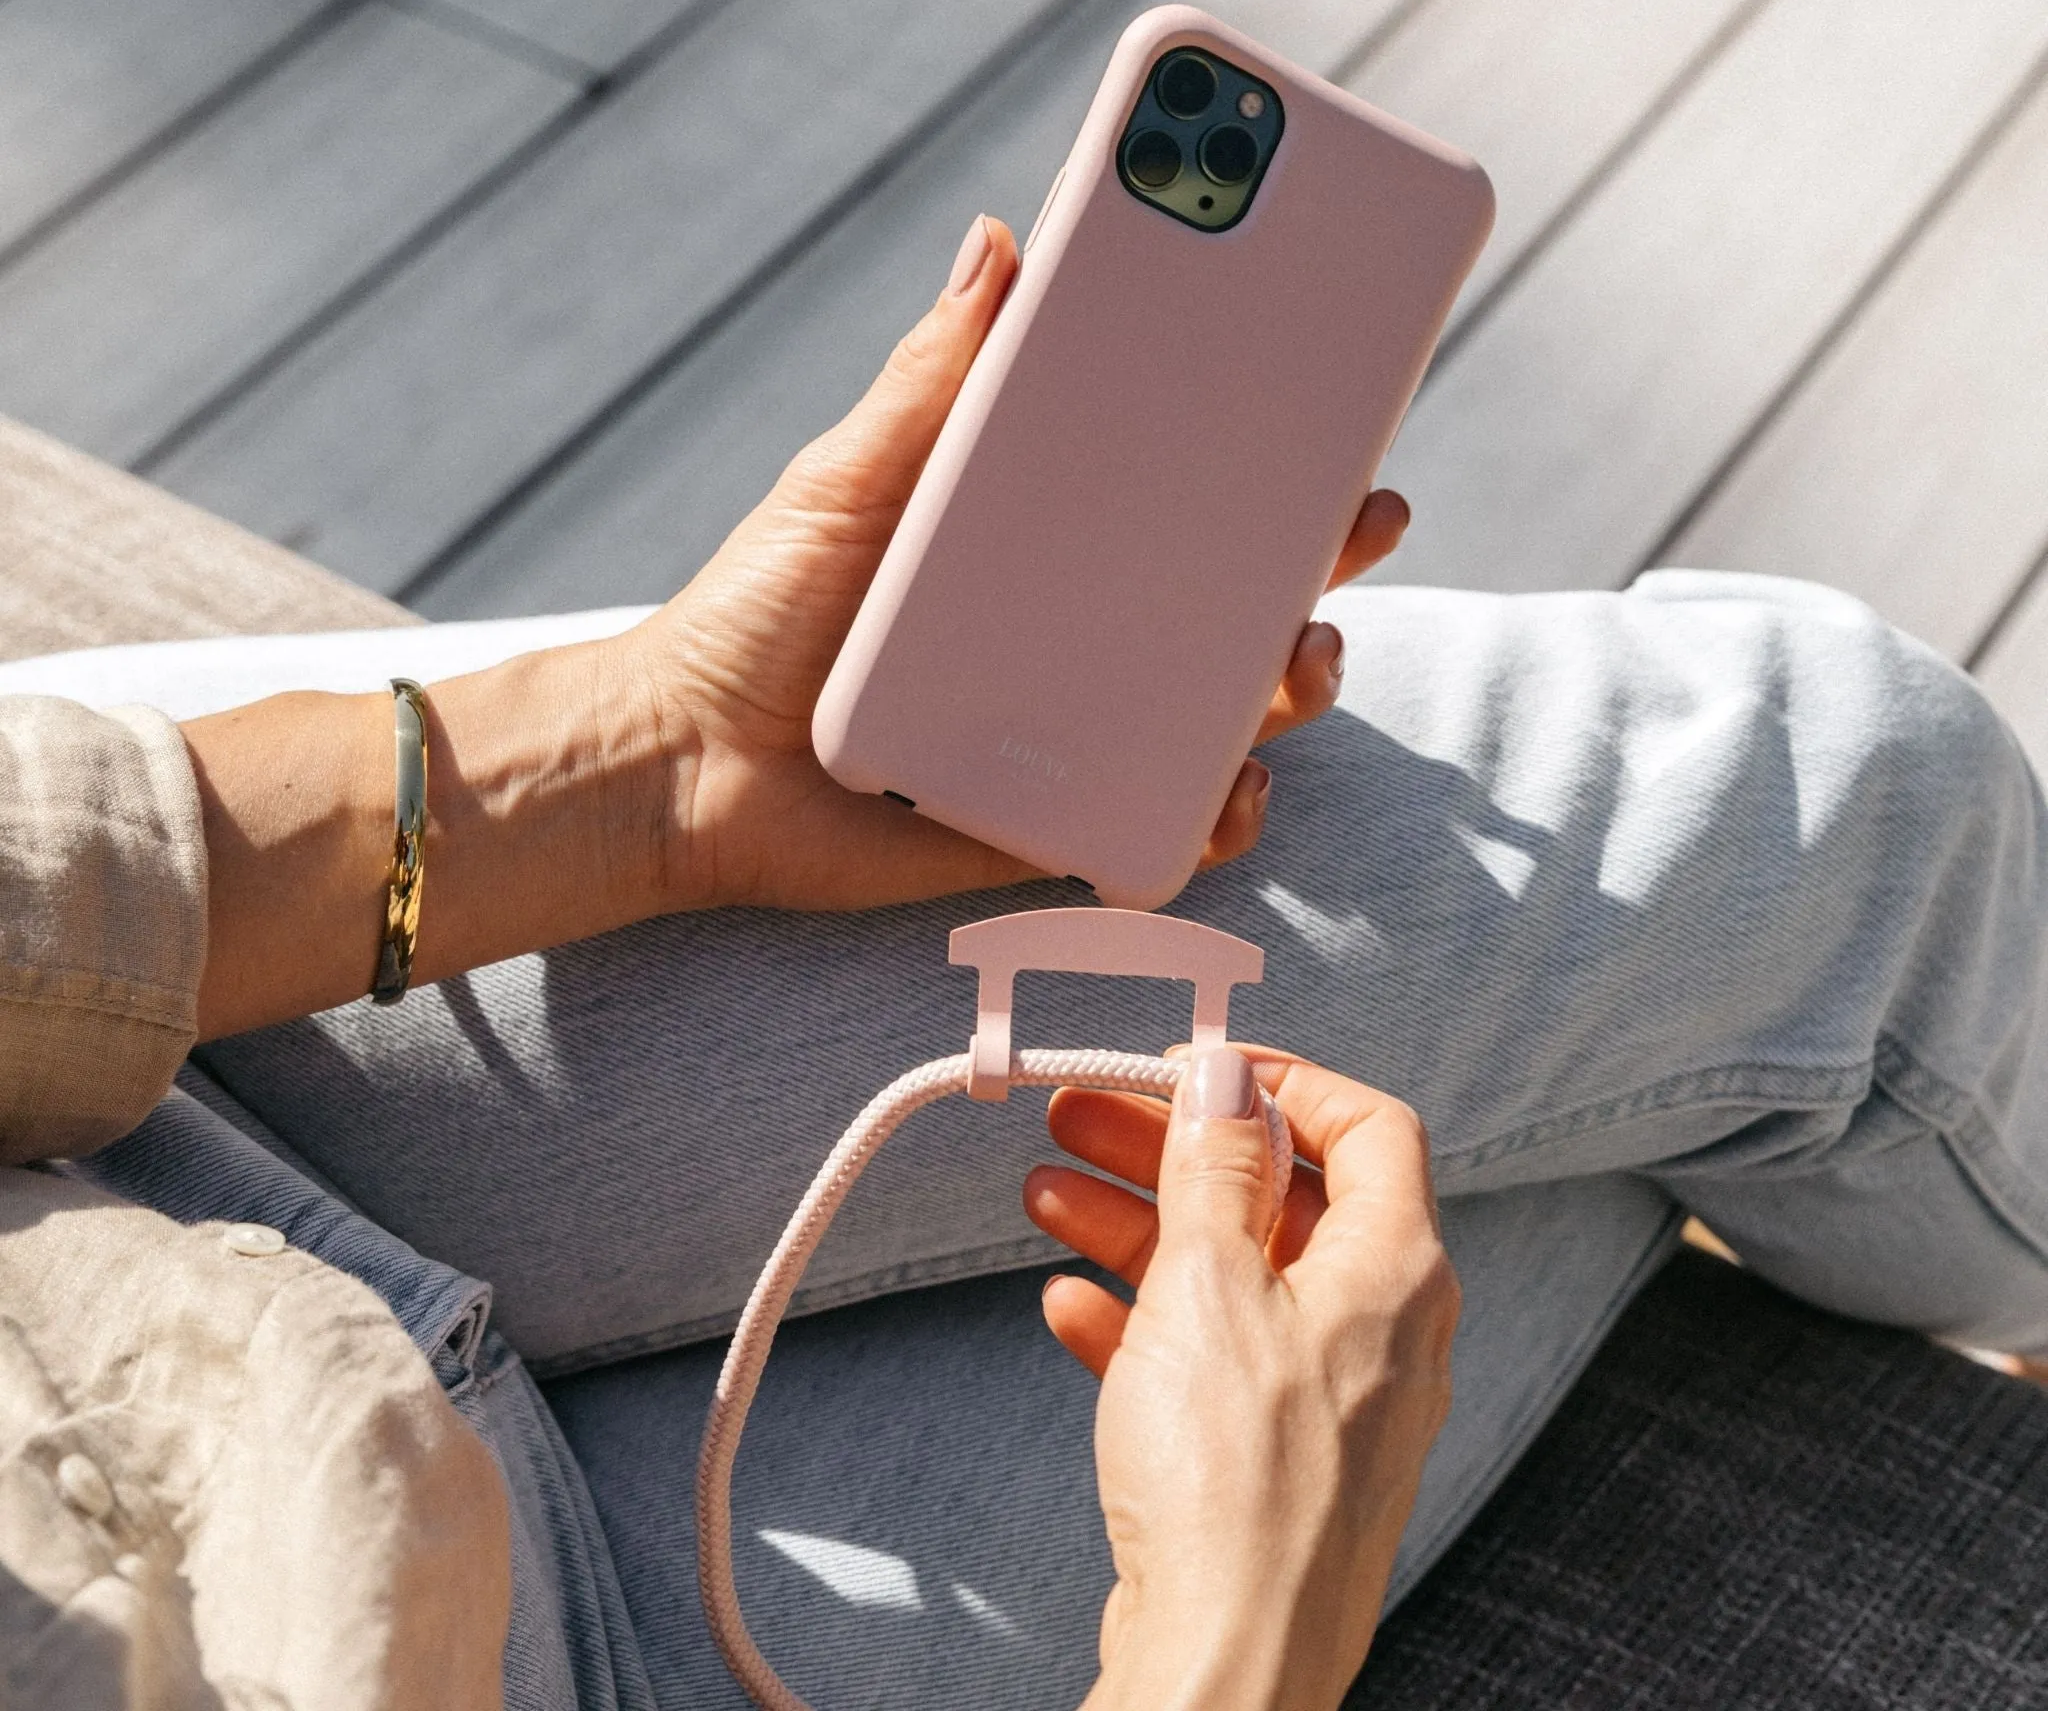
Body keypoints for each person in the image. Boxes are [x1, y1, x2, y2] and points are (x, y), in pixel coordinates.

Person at [2, 213, 2043, 1710]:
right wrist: (1225, 1649)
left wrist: (626, 759)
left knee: (1842, 802)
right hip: (454, 1650)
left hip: (127, 1056)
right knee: (1634, 1048)